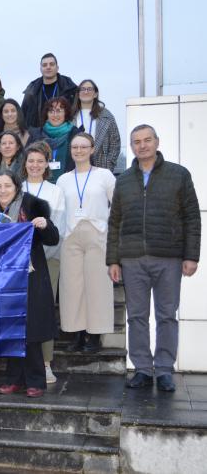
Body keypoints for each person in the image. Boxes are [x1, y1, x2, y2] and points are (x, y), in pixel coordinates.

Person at [108, 124, 201, 392]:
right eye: (136, 141)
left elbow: (192, 218)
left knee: (166, 315)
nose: (142, 145)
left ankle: (163, 370)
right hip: (133, 259)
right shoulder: (124, 180)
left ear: (157, 142)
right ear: (132, 146)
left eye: (147, 140)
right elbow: (115, 222)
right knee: (136, 316)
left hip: (169, 257)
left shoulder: (178, 175)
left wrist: (191, 255)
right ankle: (141, 369)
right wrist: (113, 260)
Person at [0, 170, 59, 398]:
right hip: (2, 279)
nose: (3, 190)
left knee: (32, 328)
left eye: (7, 185)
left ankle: (36, 380)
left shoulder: (33, 206)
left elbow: (53, 239)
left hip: (31, 276)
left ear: (17, 187)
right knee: (10, 327)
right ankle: (14, 379)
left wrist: (44, 224)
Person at [56, 133, 116, 354]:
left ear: (92, 149)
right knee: (72, 288)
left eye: (83, 146)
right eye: (74, 147)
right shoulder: (63, 179)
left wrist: (106, 225)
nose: (79, 150)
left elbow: (117, 204)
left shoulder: (105, 175)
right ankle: (76, 333)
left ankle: (94, 334)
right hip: (71, 236)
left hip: (97, 234)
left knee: (97, 286)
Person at [21, 141, 66, 384]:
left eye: (40, 161)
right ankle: (21, 365)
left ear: (47, 164)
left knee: (44, 312)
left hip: (48, 260)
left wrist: (41, 258)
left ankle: (46, 364)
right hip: (18, 263)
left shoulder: (55, 191)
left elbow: (57, 227)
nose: (35, 165)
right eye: (31, 161)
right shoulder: (16, 188)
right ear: (24, 164)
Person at [70, 79, 121, 171]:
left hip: (101, 167)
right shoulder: (69, 116)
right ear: (78, 93)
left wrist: (109, 165)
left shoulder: (106, 116)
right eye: (83, 89)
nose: (86, 92)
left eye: (89, 89)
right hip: (74, 167)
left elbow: (115, 143)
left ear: (95, 94)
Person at [29, 97, 81, 183]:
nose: (55, 115)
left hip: (69, 185)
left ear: (66, 113)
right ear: (47, 114)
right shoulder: (36, 135)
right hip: (40, 186)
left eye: (59, 111)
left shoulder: (76, 135)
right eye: (51, 111)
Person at [21, 52, 78, 128]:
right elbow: (23, 115)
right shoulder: (32, 89)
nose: (48, 67)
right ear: (40, 69)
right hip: (37, 135)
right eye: (44, 65)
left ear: (57, 68)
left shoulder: (69, 87)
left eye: (51, 64)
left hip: (63, 134)